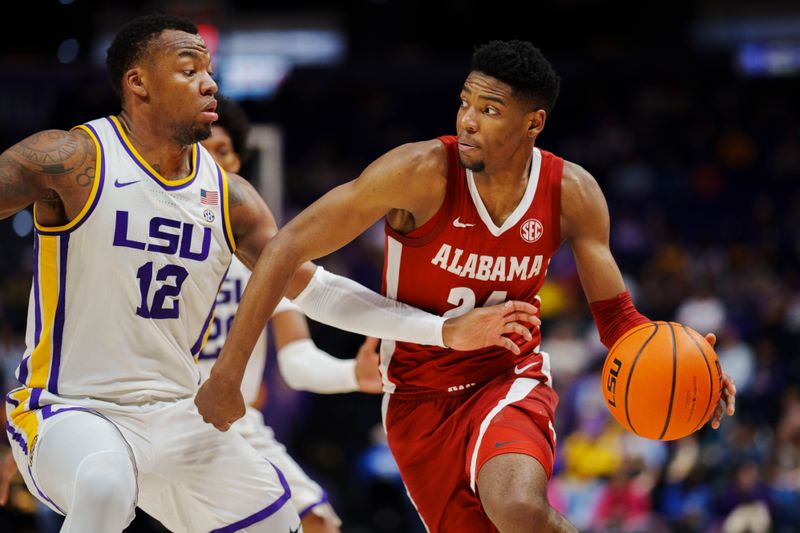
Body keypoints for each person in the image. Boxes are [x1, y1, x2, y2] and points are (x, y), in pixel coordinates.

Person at [0, 15, 539, 532]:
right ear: (138, 83)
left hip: (176, 412)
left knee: (280, 516)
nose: (210, 83)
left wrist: (442, 330)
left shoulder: (231, 198)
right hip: (68, 408)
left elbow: (319, 292)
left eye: (209, 70)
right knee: (103, 486)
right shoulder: (73, 159)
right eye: (190, 70)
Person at [197, 40, 738, 532]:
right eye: (465, 103)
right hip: (416, 399)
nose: (468, 121)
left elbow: (619, 322)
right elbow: (285, 248)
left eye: (490, 110)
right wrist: (228, 373)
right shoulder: (418, 171)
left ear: (534, 123)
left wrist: (690, 370)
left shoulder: (571, 192)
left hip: (507, 377)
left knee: (519, 508)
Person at [198, 95, 383, 533]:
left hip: (234, 426)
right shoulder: (153, 241)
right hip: (162, 418)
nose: (215, 165)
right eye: (202, 155)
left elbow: (296, 361)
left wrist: (351, 376)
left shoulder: (261, 252)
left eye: (223, 152)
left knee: (318, 522)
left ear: (239, 161)